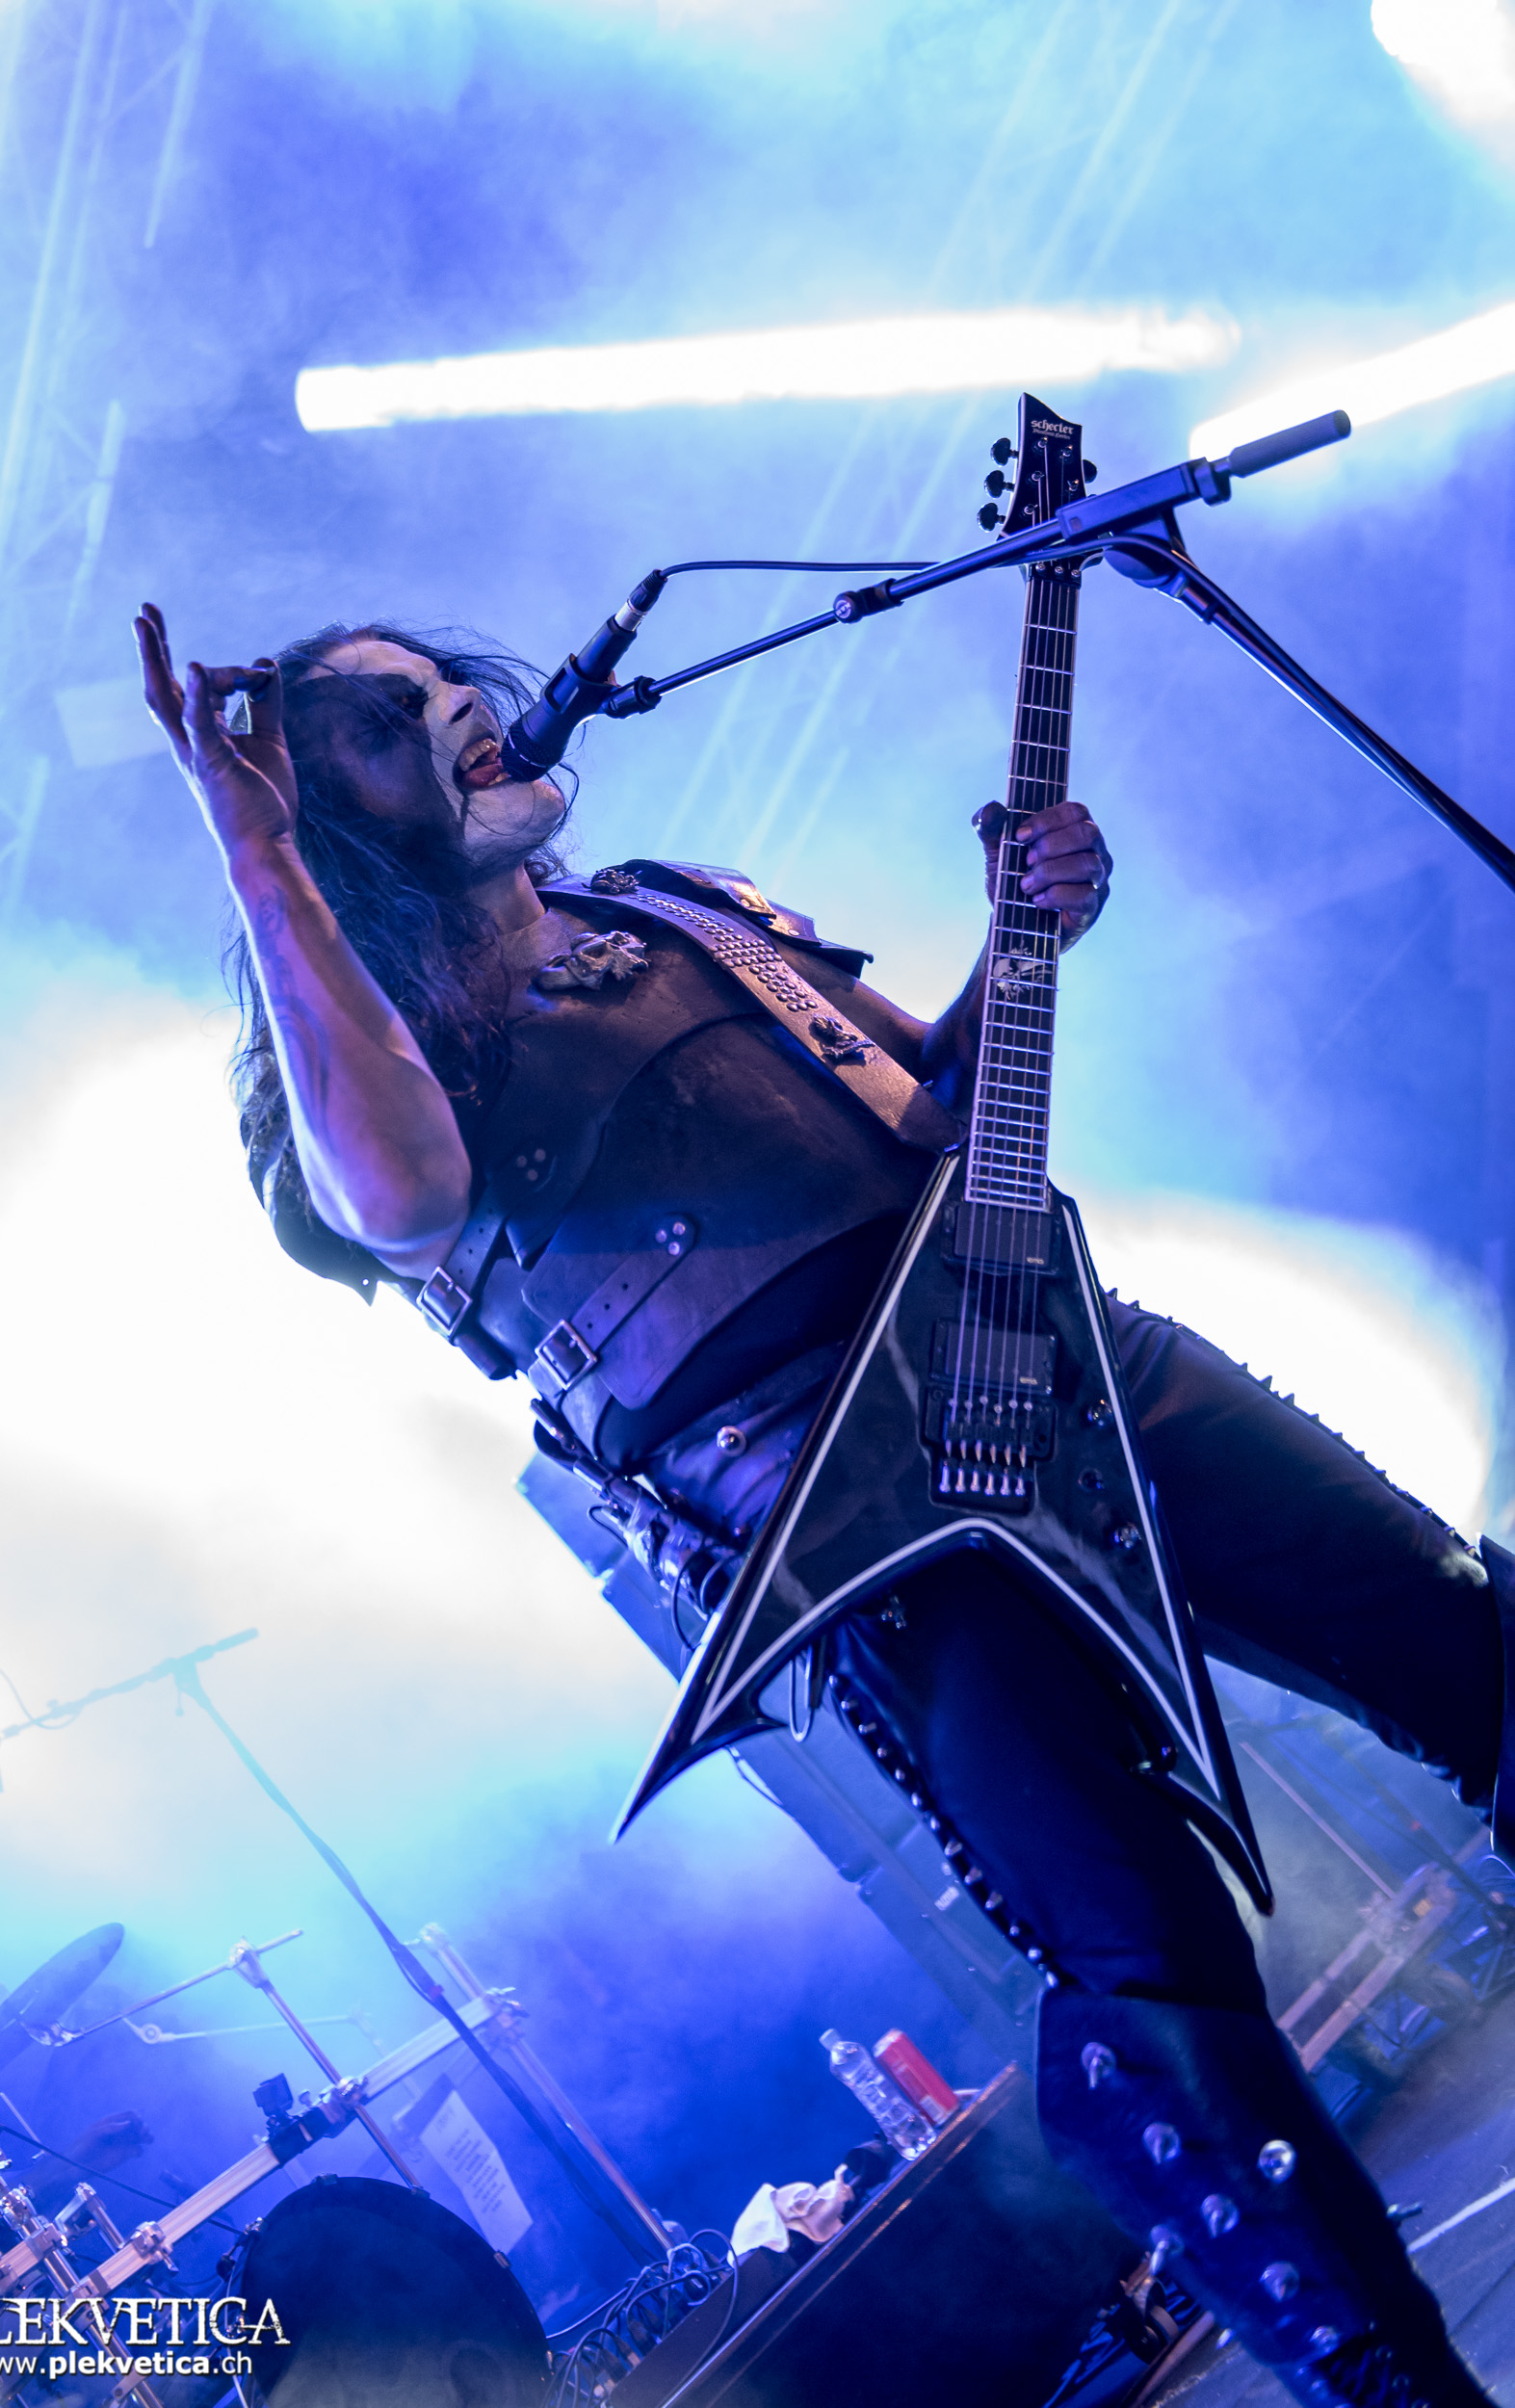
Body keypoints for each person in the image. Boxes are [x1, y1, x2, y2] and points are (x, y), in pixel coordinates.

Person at [137, 601, 1510, 2408]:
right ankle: (1395, 2385)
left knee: (1467, 1642)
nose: (460, 708)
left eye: (450, 680)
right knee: (1150, 1970)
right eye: (388, 723)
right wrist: (254, 857)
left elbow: (927, 1109)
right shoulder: (344, 1075)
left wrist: (1021, 945)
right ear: (314, 821)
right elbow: (399, 1200)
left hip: (1059, 1359)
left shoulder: (670, 908)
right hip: (858, 1529)